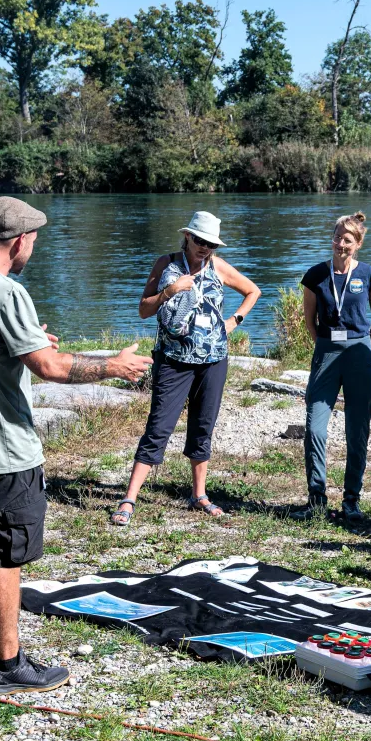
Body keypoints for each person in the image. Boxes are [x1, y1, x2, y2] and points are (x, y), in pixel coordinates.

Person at [0, 196, 152, 693]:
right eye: (34, 240)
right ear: (19, 241)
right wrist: (113, 367)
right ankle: (8, 669)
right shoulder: (6, 292)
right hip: (2, 450)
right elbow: (50, 368)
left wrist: (28, 342)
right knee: (4, 555)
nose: (33, 248)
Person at [110, 211, 261, 526]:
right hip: (172, 361)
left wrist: (233, 322)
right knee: (159, 427)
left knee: (203, 426)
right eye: (200, 241)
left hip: (213, 361)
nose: (205, 248)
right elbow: (142, 310)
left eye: (211, 244)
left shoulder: (217, 267)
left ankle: (199, 495)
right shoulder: (166, 264)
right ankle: (129, 498)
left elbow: (253, 291)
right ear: (188, 237)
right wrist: (171, 291)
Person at [292, 211, 371, 523]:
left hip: (360, 353)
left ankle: (351, 500)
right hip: (327, 352)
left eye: (347, 240)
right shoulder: (316, 274)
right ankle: (316, 498)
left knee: (357, 431)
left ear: (357, 244)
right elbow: (309, 320)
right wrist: (325, 345)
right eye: (337, 238)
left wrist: (366, 347)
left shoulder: (368, 274)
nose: (340, 244)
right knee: (315, 428)